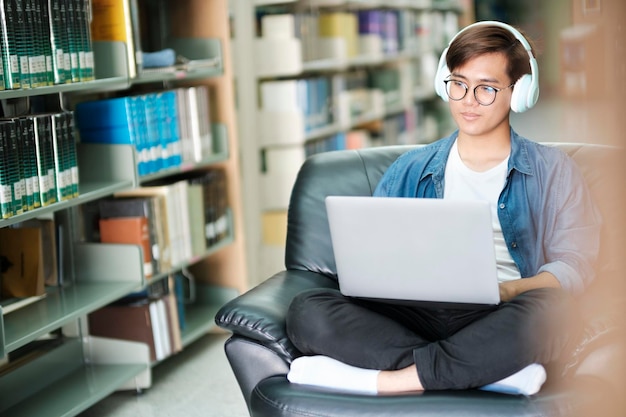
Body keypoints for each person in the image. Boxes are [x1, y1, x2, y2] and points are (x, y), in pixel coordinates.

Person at [284, 21, 602, 396]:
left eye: (486, 88)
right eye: (458, 83)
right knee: (307, 309)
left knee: (557, 314)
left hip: (498, 314)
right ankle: (491, 371)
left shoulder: (553, 170)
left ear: (520, 93)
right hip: (413, 314)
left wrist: (509, 291)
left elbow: (574, 266)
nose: (468, 100)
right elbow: (371, 258)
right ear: (444, 84)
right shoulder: (409, 168)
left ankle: (395, 380)